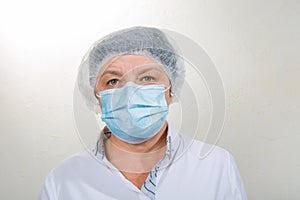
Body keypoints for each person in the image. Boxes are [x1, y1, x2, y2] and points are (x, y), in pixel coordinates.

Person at [38, 26, 247, 200]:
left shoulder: (216, 165)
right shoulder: (62, 181)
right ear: (96, 95)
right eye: (113, 81)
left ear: (171, 89)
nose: (130, 92)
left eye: (147, 78)